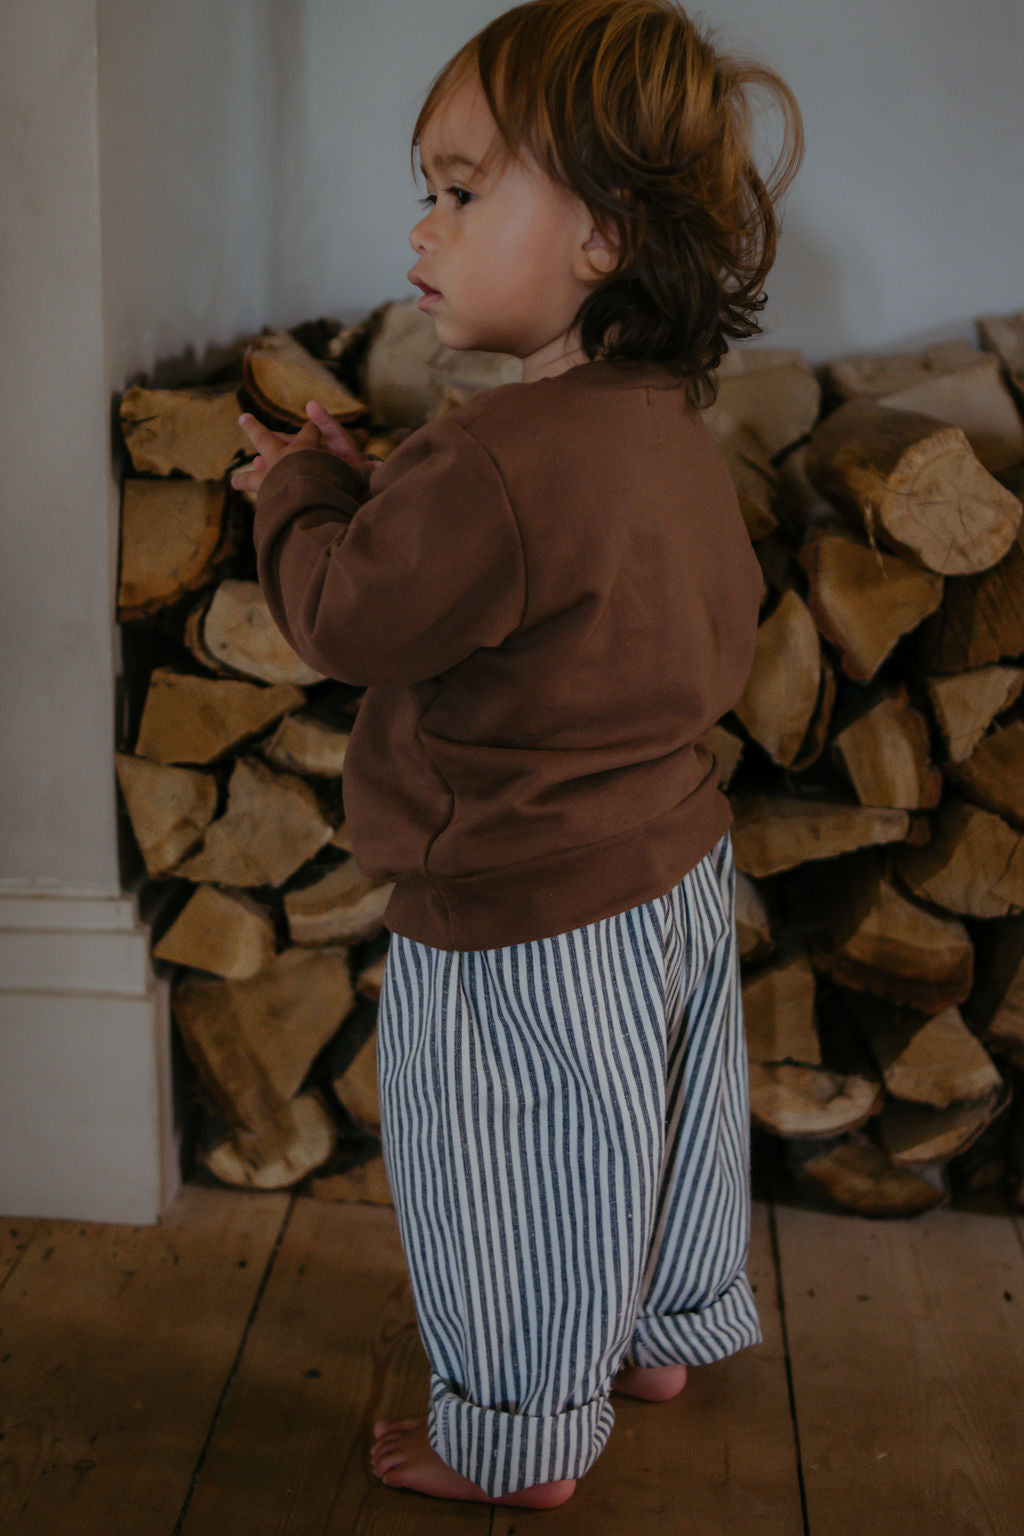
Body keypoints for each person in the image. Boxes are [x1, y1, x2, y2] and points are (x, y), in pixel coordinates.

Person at [232, 0, 802, 1510]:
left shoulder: (488, 459)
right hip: (670, 866)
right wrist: (380, 496)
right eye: (428, 189)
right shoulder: (667, 426)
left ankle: (516, 1439)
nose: (422, 228)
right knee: (661, 1129)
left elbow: (354, 619)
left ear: (605, 235)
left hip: (521, 915)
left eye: (462, 190)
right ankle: (664, 1334)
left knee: (509, 1175)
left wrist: (296, 494)